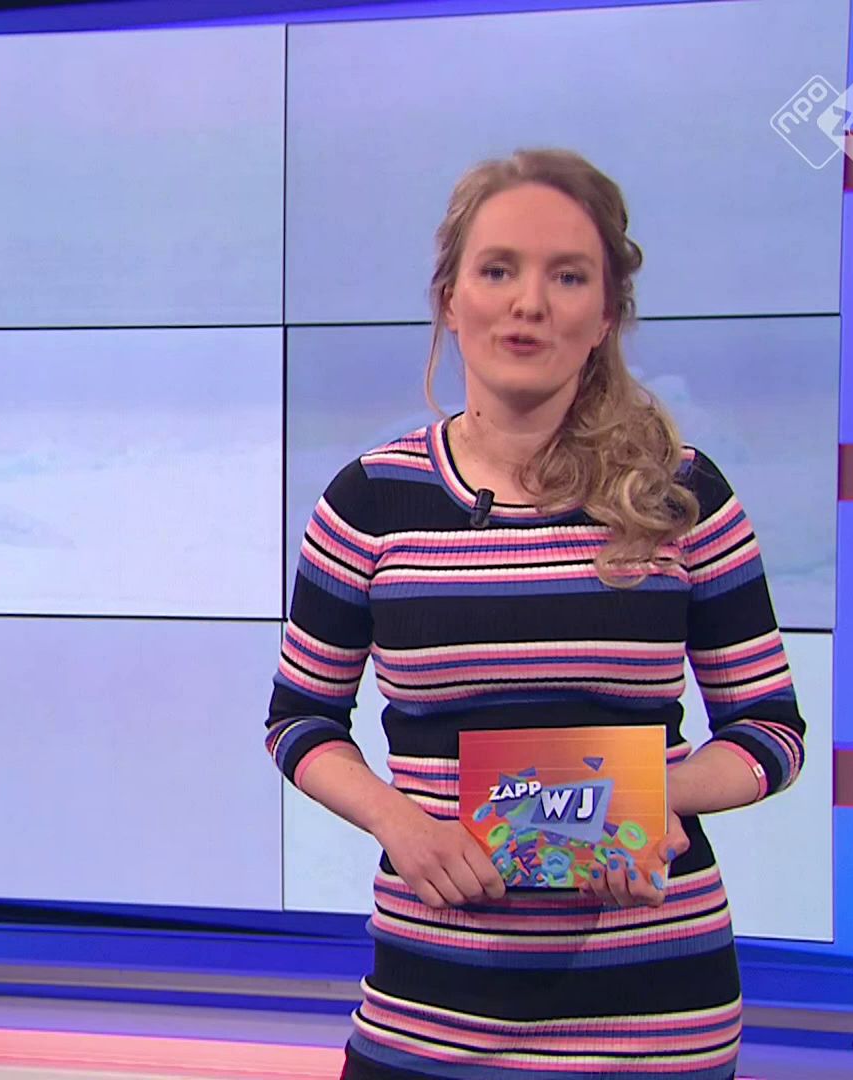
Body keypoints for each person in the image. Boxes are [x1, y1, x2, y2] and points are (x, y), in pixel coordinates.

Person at [265, 149, 806, 1080]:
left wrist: (642, 801)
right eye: (498, 270)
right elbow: (299, 722)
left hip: (655, 1017)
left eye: (568, 277)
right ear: (450, 299)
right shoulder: (370, 501)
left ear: (606, 315)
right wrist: (399, 823)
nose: (529, 303)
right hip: (428, 1012)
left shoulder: (682, 493)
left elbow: (770, 733)